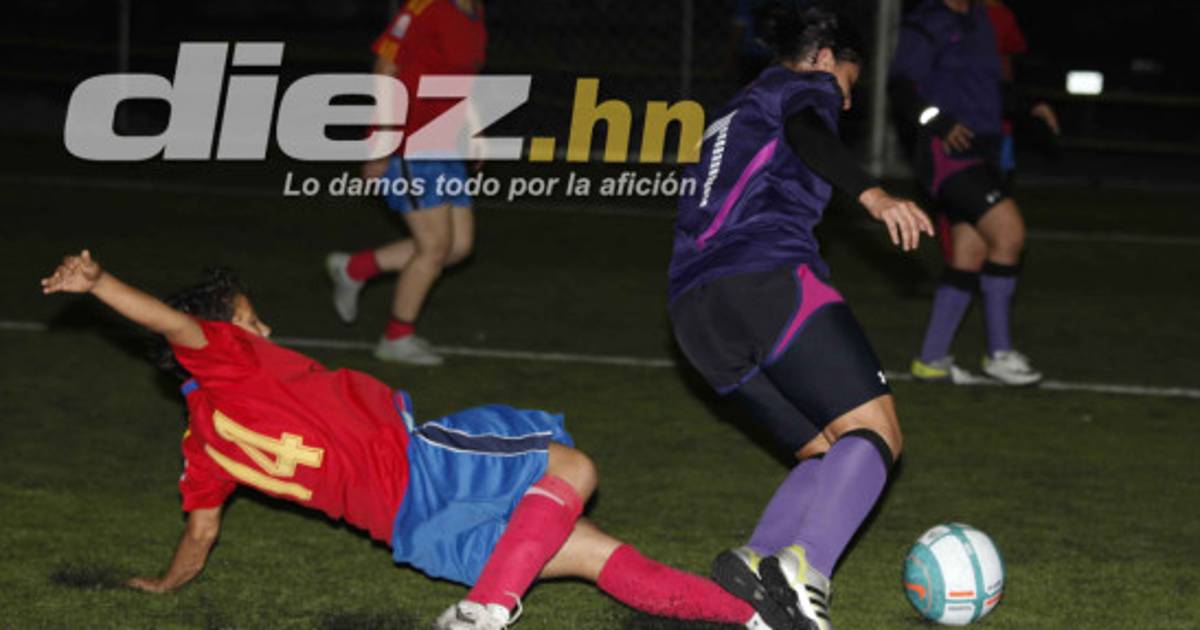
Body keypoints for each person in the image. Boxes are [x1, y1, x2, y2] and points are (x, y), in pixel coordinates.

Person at [41, 250, 798, 630]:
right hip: (425, 467)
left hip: (411, 534)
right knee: (572, 464)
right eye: (246, 320)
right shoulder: (225, 362)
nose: (260, 329)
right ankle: (488, 609)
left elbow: (201, 532)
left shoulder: (201, 447)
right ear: (213, 340)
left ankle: (754, 622)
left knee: (596, 553)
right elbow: (175, 326)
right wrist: (101, 282)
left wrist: (168, 585)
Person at [668, 10, 933, 630]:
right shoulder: (799, 89)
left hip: (694, 312)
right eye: (846, 81)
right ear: (821, 59)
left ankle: (757, 562)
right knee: (878, 432)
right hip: (765, 277)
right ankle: (804, 569)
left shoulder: (733, 111)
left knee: (823, 451)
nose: (843, 99)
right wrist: (874, 194)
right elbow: (811, 130)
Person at [890, 0, 1057, 385]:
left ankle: (931, 359)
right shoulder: (927, 22)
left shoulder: (981, 20)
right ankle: (999, 354)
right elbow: (900, 87)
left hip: (986, 153)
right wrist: (939, 121)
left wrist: (1031, 107)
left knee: (972, 252)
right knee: (1010, 234)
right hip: (947, 154)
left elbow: (995, 87)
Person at [326, 0, 487, 366]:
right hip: (407, 142)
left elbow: (463, 79)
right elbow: (385, 68)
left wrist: (474, 127)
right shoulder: (423, 7)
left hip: (443, 139)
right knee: (433, 247)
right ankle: (396, 338)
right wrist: (383, 142)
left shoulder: (474, 11)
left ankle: (355, 268)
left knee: (458, 247)